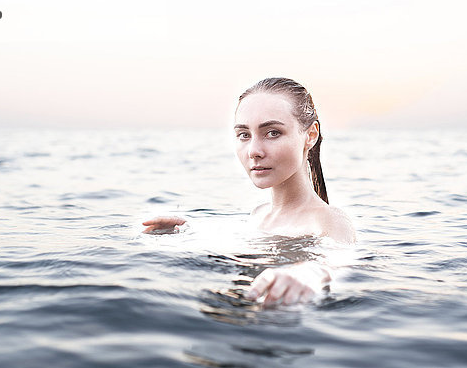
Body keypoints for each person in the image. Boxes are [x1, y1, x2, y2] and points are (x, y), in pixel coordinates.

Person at [142, 77, 356, 307]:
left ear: (310, 135)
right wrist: (187, 230)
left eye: (273, 133)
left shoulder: (330, 220)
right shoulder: (259, 214)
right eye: (244, 135)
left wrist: (308, 274)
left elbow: (335, 259)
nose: (254, 151)